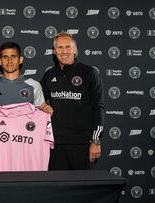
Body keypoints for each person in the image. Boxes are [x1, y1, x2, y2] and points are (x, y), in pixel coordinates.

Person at [40, 32, 105, 170]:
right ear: (54, 51)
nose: (64, 51)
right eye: (60, 47)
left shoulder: (89, 72)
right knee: (57, 189)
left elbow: (99, 108)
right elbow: (35, 100)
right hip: (56, 145)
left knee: (84, 189)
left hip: (82, 144)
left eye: (68, 47)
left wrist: (95, 141)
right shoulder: (49, 75)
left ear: (75, 50)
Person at [0, 41, 52, 115]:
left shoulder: (34, 86)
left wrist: (47, 112)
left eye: (13, 56)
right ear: (0, 61)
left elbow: (40, 116)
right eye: (5, 57)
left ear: (20, 60)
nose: (9, 61)